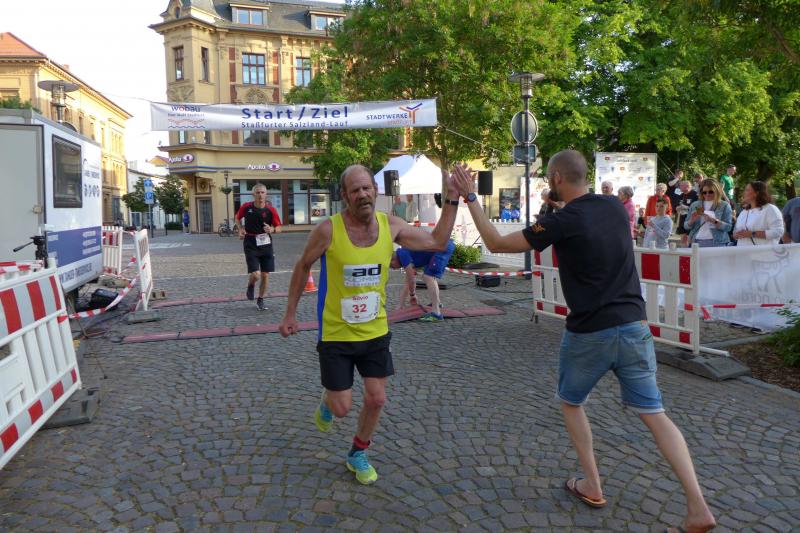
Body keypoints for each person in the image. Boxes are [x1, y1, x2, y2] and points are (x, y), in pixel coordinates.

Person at [452, 149, 715, 533]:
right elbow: (586, 222)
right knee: (655, 414)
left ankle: (592, 483)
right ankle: (698, 507)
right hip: (634, 325)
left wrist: (471, 197)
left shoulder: (561, 221)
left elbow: (494, 243)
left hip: (590, 331)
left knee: (571, 402)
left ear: (557, 178)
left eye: (549, 178)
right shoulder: (614, 207)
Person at [278, 164, 461, 485]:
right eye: (355, 190)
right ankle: (328, 399)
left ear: (375, 191)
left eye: (366, 188)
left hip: (375, 330)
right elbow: (303, 265)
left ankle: (357, 452)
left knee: (377, 398)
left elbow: (437, 241)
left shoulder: (391, 226)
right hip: (336, 333)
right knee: (341, 408)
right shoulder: (328, 230)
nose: (362, 194)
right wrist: (290, 313)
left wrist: (453, 198)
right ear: (344, 196)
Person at [235, 183, 282, 311]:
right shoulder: (246, 207)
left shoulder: (271, 210)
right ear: (253, 194)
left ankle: (260, 299)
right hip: (251, 243)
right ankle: (251, 285)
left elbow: (279, 227)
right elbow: (237, 218)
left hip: (266, 244)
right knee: (256, 275)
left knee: (265, 275)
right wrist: (240, 229)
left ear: (266, 194)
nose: (260, 195)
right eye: (258, 192)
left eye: (262, 192)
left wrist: (272, 229)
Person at [391, 239, 456, 321]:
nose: (393, 269)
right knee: (429, 276)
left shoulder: (402, 254)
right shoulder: (404, 255)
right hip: (441, 246)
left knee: (428, 276)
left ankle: (436, 313)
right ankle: (437, 304)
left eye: (391, 266)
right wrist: (400, 306)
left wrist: (412, 295)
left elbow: (411, 280)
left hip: (442, 246)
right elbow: (408, 282)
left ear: (393, 260)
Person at [732, 181, 784, 246]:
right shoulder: (744, 212)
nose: (744, 193)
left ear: (756, 193)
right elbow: (735, 231)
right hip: (742, 251)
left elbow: (778, 231)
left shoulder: (770, 209)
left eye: (747, 190)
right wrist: (736, 235)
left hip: (763, 251)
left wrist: (752, 233)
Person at [684, 178, 732, 247]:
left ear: (716, 191)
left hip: (717, 243)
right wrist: (691, 221)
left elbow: (728, 228)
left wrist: (714, 221)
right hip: (696, 241)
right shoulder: (695, 205)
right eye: (704, 192)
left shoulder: (724, 205)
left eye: (711, 192)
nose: (707, 194)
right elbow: (686, 226)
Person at [674, 180, 699, 247]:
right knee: (683, 238)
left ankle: (691, 250)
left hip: (691, 219)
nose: (680, 187)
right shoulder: (681, 195)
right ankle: (683, 251)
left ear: (687, 186)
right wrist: (677, 208)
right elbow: (676, 206)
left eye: (681, 186)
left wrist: (687, 207)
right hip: (682, 219)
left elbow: (698, 208)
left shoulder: (695, 195)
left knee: (690, 238)